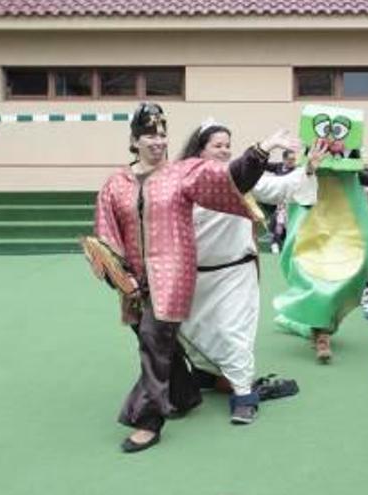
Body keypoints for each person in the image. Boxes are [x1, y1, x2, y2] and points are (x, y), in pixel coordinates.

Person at [91, 102, 295, 452]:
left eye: (162, 135)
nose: (157, 142)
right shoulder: (115, 185)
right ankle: (183, 396)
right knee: (156, 342)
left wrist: (263, 148)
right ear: (134, 140)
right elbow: (107, 235)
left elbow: (230, 179)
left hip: (172, 277)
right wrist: (120, 277)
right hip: (133, 283)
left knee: (155, 343)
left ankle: (148, 421)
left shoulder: (182, 173)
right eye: (149, 136)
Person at [176, 121, 324, 424]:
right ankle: (209, 375)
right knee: (192, 330)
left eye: (228, 144)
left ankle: (243, 394)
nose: (224, 149)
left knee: (234, 333)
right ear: (200, 149)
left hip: (235, 272)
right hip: (194, 274)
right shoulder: (181, 178)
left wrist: (308, 168)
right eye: (217, 145)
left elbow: (281, 188)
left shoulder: (241, 176)